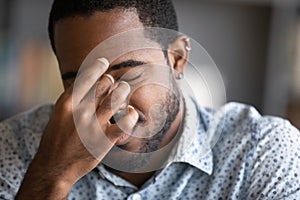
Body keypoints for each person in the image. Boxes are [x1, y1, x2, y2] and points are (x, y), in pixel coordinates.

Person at [1, 0, 300, 199]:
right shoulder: (13, 147)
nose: (111, 104)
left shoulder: (262, 152)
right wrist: (53, 174)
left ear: (178, 58)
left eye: (129, 76)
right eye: (81, 82)